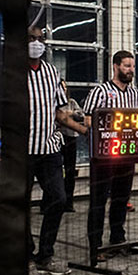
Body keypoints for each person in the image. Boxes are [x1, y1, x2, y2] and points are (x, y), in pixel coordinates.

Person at [25, 26, 85, 275]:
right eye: (32, 38)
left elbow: (61, 112)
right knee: (19, 206)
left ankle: (45, 255)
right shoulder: (6, 70)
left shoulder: (51, 72)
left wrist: (85, 128)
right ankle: (25, 257)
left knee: (59, 199)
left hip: (49, 148)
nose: (37, 43)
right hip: (20, 152)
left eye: (41, 39)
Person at [81, 50, 138, 258]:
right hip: (104, 158)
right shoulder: (100, 91)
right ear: (115, 66)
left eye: (133, 66)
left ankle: (117, 239)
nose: (131, 70)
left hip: (127, 155)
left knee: (121, 199)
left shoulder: (135, 93)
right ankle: (96, 246)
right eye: (127, 66)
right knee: (98, 201)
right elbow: (88, 120)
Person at [58, 81, 84, 213]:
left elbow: (80, 114)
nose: (63, 89)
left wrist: (68, 113)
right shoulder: (55, 102)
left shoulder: (72, 102)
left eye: (65, 87)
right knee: (56, 171)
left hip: (71, 138)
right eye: (61, 87)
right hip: (59, 138)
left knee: (70, 171)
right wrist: (69, 114)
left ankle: (69, 202)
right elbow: (57, 117)